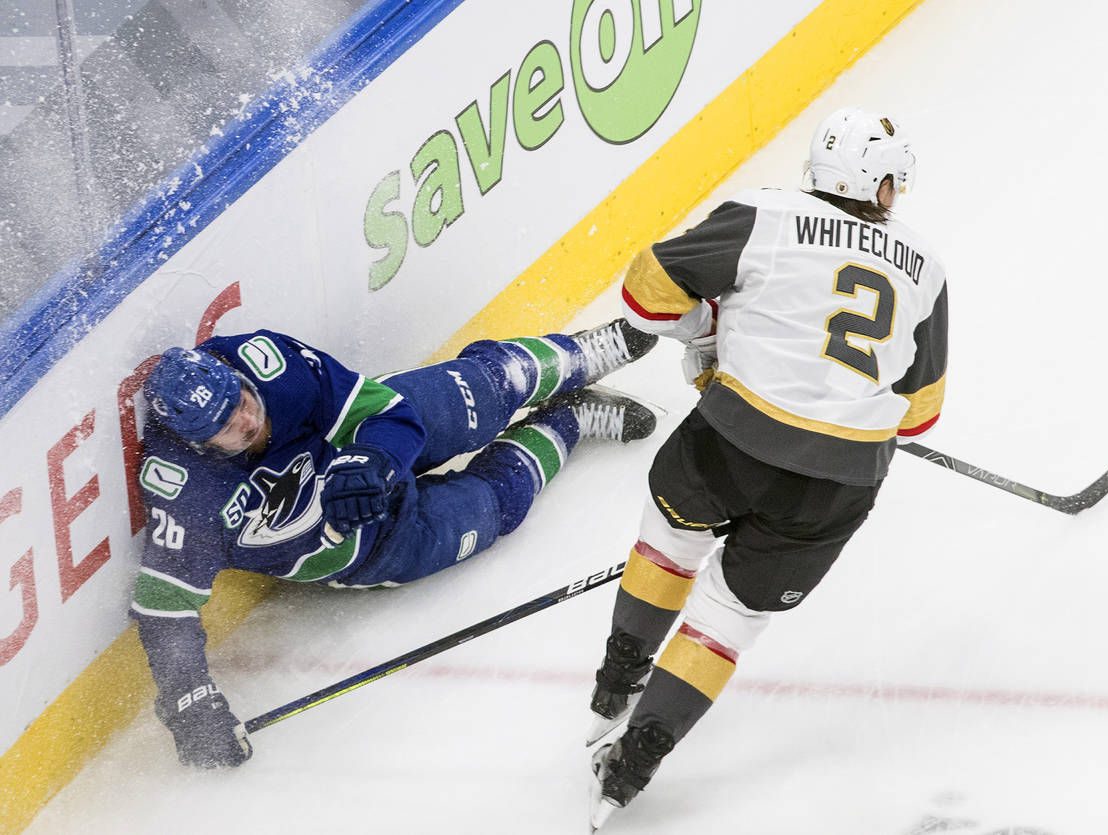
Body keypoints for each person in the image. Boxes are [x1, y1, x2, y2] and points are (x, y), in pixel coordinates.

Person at [585, 106, 949, 830]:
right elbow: (920, 412)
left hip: (733, 440)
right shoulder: (928, 269)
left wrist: (714, 332)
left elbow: (644, 292)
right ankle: (631, 767)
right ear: (877, 181)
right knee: (727, 618)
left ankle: (614, 682)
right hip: (842, 482)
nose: (891, 195)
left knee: (672, 542)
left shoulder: (764, 214)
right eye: (887, 182)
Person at [131, 318, 659, 768]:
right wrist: (187, 701)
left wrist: (371, 460)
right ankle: (571, 419)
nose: (249, 419)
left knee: (480, 389)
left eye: (242, 402)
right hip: (379, 547)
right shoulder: (186, 492)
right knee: (496, 506)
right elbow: (165, 608)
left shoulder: (267, 367)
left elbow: (385, 412)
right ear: (198, 443)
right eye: (227, 427)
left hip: (370, 444)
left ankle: (582, 354)